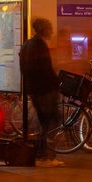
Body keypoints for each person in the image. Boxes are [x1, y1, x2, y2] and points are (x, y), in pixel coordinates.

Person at [19, 17, 63, 167]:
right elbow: (45, 69)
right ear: (45, 30)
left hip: (35, 89)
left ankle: (44, 156)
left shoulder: (27, 44)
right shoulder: (39, 45)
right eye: (50, 28)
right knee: (49, 122)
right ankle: (44, 156)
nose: (51, 32)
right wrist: (55, 83)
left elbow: (24, 68)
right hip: (44, 89)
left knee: (44, 122)